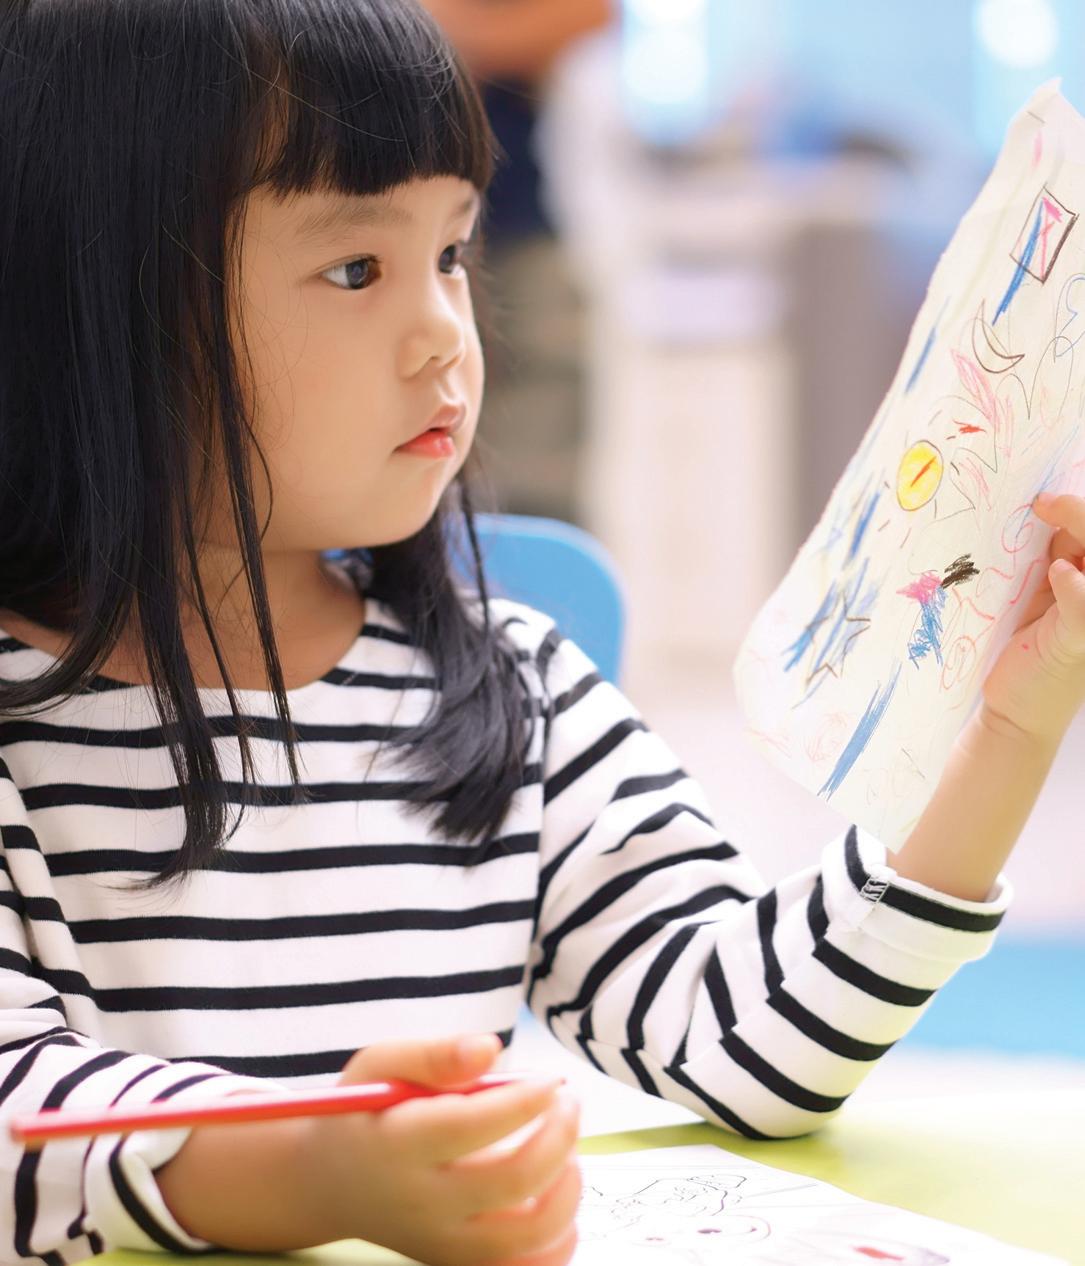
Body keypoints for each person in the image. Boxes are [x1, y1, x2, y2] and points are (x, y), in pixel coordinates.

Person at [0, 3, 1082, 1266]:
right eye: (354, 270)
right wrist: (314, 1171)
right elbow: (21, 1112)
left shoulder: (516, 689)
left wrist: (1008, 727)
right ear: (92, 309)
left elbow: (743, 1039)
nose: (442, 334)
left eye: (451, 253)